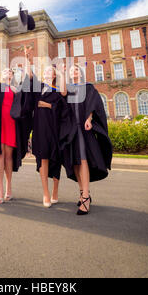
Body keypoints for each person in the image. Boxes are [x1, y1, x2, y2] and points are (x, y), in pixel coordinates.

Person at [0, 53, 32, 205]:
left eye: (10, 72)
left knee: (8, 157)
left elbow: (28, 79)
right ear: (2, 76)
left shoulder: (16, 89)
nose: (7, 73)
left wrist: (27, 62)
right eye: (5, 72)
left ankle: (9, 187)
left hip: (11, 124)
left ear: (12, 75)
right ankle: (0, 189)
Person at [62, 64, 113, 215]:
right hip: (71, 130)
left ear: (81, 72)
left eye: (76, 69)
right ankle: (82, 192)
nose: (74, 71)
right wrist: (62, 72)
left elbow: (94, 104)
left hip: (84, 129)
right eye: (72, 70)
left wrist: (89, 118)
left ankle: (85, 197)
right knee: (76, 163)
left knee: (83, 160)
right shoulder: (68, 89)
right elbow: (62, 99)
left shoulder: (88, 87)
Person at [24, 48, 70, 208]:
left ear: (55, 75)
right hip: (39, 129)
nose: (47, 73)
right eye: (46, 71)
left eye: (51, 71)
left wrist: (48, 105)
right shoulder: (39, 88)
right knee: (42, 158)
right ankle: (45, 193)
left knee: (55, 160)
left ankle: (55, 190)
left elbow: (63, 99)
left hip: (55, 130)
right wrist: (29, 60)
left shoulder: (58, 91)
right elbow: (30, 77)